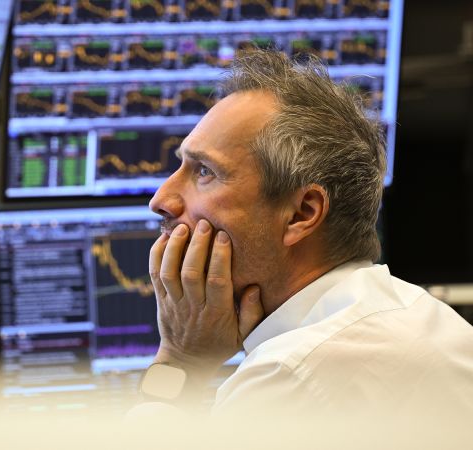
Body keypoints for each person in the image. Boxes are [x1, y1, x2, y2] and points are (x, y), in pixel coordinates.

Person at [135, 49, 473, 416]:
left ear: (302, 214)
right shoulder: (426, 317)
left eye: (204, 171)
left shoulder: (289, 376)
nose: (161, 199)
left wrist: (180, 359)